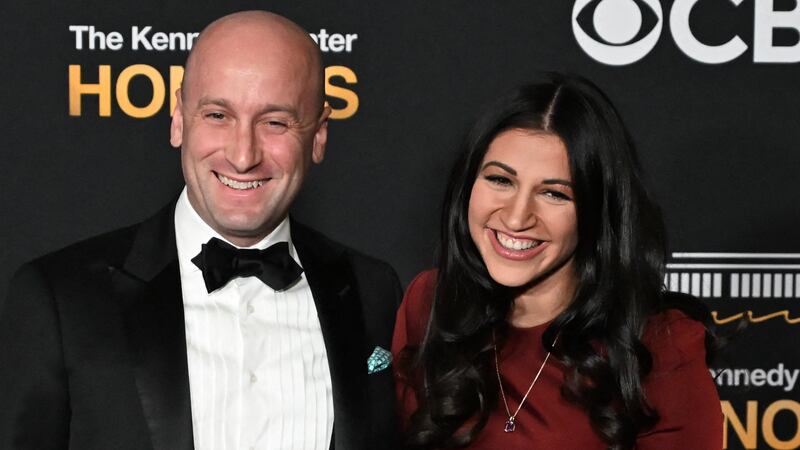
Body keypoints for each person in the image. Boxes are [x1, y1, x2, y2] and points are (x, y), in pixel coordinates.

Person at [0, 11, 401, 450]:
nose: (243, 155)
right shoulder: (60, 298)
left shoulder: (371, 289)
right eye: (217, 115)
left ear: (319, 135)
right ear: (178, 119)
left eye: (275, 122)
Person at [392, 73, 722, 449]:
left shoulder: (659, 345)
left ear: (596, 212)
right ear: (467, 185)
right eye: (501, 180)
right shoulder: (431, 302)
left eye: (553, 194)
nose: (517, 218)